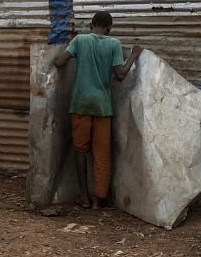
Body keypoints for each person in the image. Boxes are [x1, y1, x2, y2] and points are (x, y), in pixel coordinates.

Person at [54, 11, 143, 210]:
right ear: (109, 28)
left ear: (91, 25)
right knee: (102, 153)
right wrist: (134, 55)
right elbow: (120, 75)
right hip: (103, 107)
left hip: (80, 104)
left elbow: (59, 62)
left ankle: (84, 197)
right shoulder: (114, 44)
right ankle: (98, 200)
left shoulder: (80, 40)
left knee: (80, 150)